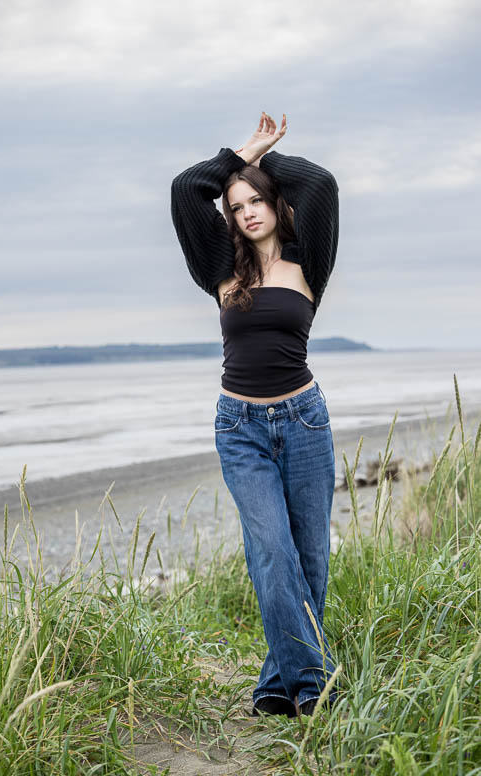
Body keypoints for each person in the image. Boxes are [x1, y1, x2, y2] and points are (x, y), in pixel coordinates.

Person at [170, 112, 340, 719]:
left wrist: (264, 164)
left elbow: (319, 185)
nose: (245, 211)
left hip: (305, 422)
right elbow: (185, 190)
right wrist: (239, 156)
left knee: (310, 556)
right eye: (235, 204)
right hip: (240, 429)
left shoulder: (307, 260)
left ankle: (276, 683)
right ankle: (313, 686)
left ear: (273, 201)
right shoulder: (220, 269)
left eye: (255, 200)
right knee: (272, 551)